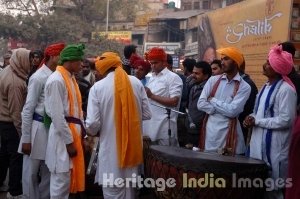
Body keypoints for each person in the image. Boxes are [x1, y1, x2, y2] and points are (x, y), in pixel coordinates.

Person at [85, 52, 151, 198]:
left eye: (97, 69)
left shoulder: (97, 88)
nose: (96, 72)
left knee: (112, 193)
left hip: (110, 154)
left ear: (103, 68)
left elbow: (92, 124)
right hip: (133, 153)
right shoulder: (136, 82)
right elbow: (147, 114)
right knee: (131, 193)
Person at [243, 45, 297, 199]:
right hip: (257, 146)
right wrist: (251, 118)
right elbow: (259, 112)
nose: (264, 65)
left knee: (274, 193)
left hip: (275, 149)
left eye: (269, 63)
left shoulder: (286, 90)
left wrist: (257, 121)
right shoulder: (265, 87)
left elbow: (286, 120)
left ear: (277, 68)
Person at [18, 43, 65, 199]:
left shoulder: (58, 75)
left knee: (48, 170)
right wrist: (26, 139)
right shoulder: (38, 77)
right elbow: (27, 109)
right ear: (52, 56)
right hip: (36, 129)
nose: (62, 58)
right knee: (30, 172)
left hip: (51, 128)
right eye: (60, 55)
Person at [44, 44, 86, 199]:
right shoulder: (56, 80)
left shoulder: (70, 78)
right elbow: (57, 116)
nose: (82, 64)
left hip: (71, 136)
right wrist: (69, 142)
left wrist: (83, 136)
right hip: (62, 140)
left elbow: (77, 111)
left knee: (66, 182)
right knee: (60, 184)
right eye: (79, 61)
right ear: (70, 61)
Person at [197, 47, 250, 155]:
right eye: (221, 59)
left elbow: (233, 112)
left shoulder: (245, 87)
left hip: (230, 132)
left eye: (226, 59)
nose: (222, 62)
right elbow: (201, 103)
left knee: (226, 167)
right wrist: (215, 110)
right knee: (208, 165)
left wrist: (213, 100)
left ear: (235, 63)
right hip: (210, 133)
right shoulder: (213, 80)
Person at [0, 48, 32, 198]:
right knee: (15, 158)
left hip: (3, 122)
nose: (31, 62)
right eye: (29, 59)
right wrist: (23, 134)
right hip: (11, 124)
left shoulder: (8, 70)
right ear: (22, 60)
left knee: (5, 155)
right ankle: (14, 191)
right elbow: (16, 112)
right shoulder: (15, 82)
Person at [143, 47, 183, 146]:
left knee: (165, 158)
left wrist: (151, 95)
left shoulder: (173, 78)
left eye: (155, 63)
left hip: (165, 127)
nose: (153, 66)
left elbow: (174, 101)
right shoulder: (152, 77)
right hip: (150, 126)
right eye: (151, 63)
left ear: (164, 62)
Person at [185, 61, 212, 147]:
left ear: (206, 76)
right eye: (193, 72)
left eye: (197, 73)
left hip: (201, 130)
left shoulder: (209, 89)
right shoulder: (193, 86)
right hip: (190, 128)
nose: (193, 75)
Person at [238, 59, 258, 143]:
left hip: (243, 127)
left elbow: (248, 109)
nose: (222, 63)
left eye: (226, 60)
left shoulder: (247, 84)